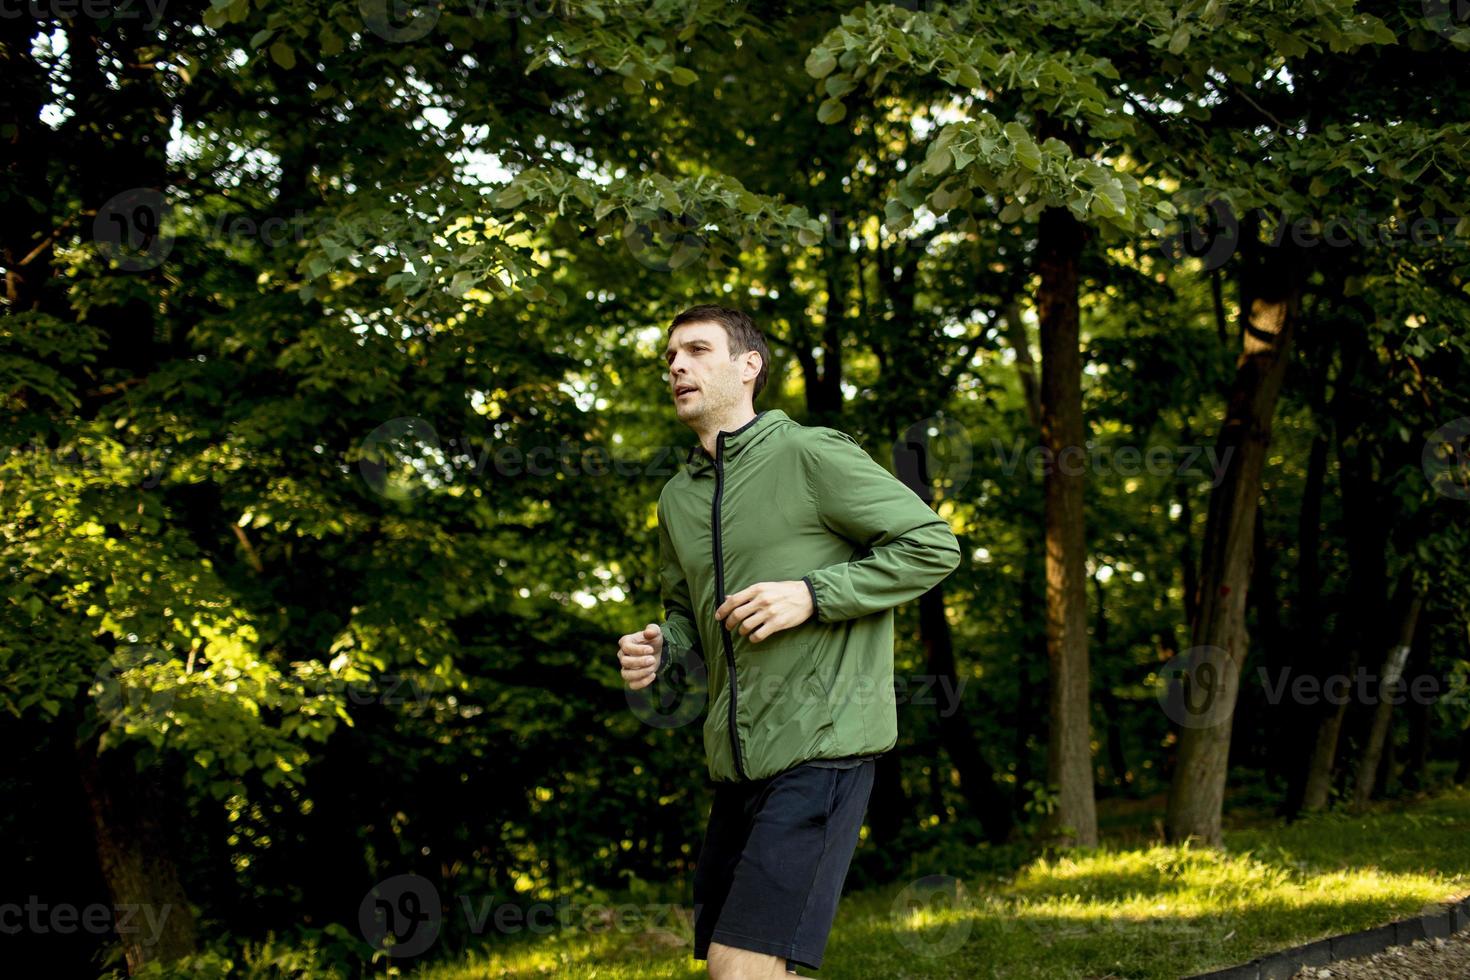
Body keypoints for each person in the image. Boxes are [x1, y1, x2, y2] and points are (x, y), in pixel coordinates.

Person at [617, 304, 962, 978]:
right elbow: (685, 610)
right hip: (737, 768)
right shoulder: (676, 500)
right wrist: (663, 646)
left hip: (823, 749)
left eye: (695, 350)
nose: (677, 366)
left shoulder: (809, 453)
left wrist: (812, 594)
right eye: (670, 358)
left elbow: (932, 544)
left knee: (737, 967)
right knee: (762, 971)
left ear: (750, 367)